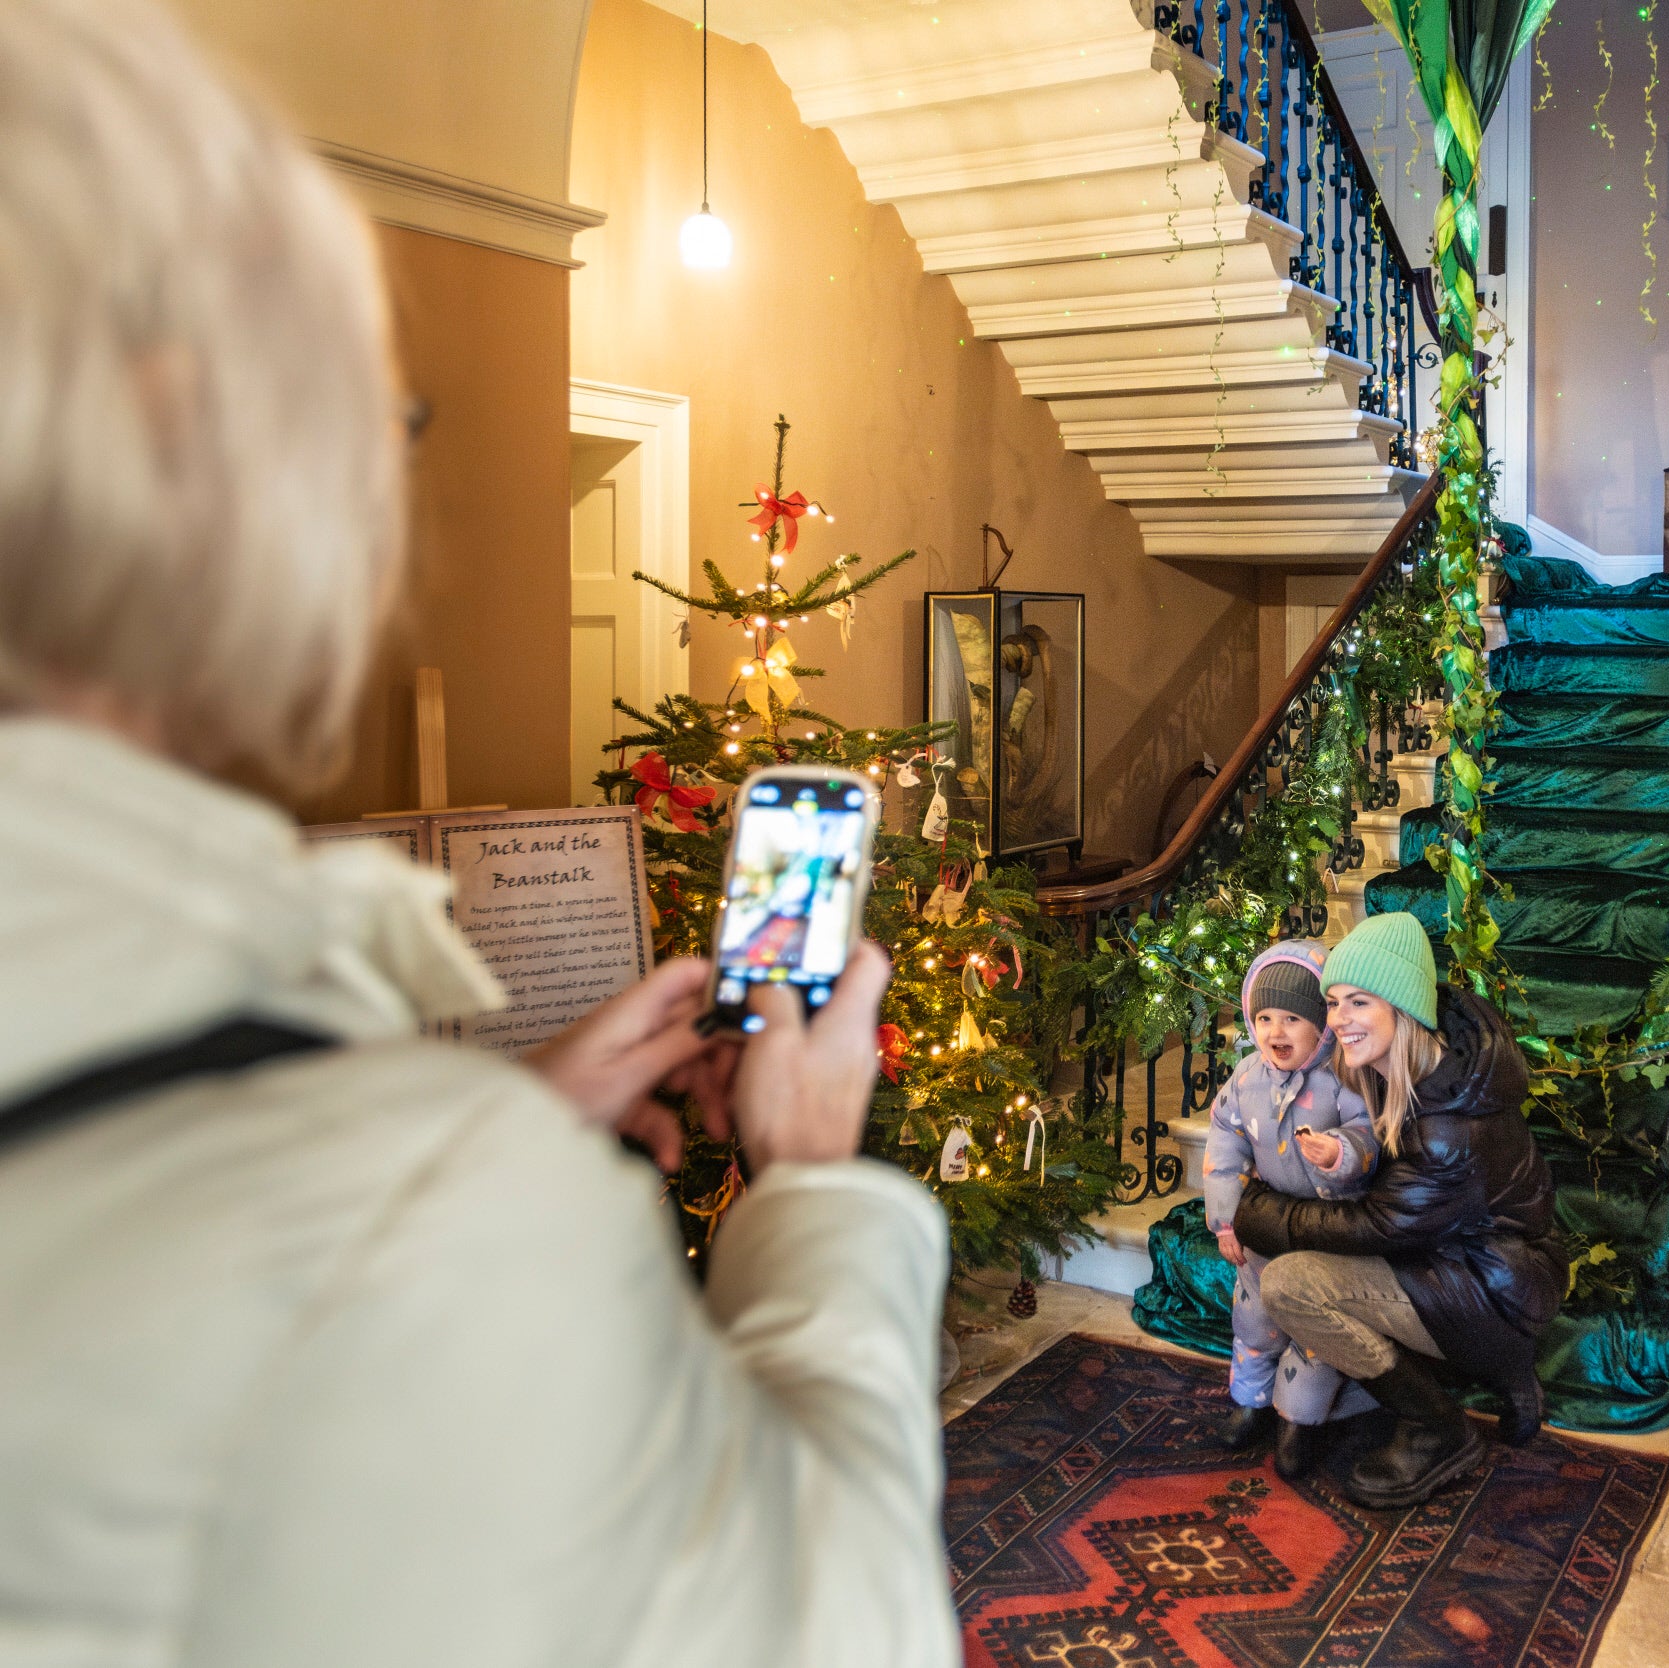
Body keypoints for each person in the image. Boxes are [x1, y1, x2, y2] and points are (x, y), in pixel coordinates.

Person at [0, 4, 957, 1664]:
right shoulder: (417, 1225)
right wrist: (804, 1185)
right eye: (384, 416)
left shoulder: (394, 1182)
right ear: (182, 436)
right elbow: (846, 1626)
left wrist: (484, 1118)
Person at [1231, 911, 1567, 1510]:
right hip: (1483, 1270)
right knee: (1310, 1255)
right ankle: (1501, 1367)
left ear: (1403, 1007)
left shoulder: (1447, 1127)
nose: (1337, 1021)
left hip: (1490, 1289)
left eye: (1358, 1002)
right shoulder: (1423, 1064)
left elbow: (1376, 1225)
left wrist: (1255, 1211)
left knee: (1290, 1285)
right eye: (1333, 1002)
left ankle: (1437, 1428)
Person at [1199, 941, 1378, 1476]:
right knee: (1253, 1321)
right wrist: (1226, 1220)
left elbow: (1371, 1135)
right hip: (1263, 1233)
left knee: (1314, 1333)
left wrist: (1340, 1151)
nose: (1277, 1032)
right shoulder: (1248, 1078)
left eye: (1293, 1019)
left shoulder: (1344, 1076)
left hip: (1329, 1233)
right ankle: (1251, 1404)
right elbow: (1224, 1148)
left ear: (1322, 1023)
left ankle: (1299, 1420)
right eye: (1265, 1017)